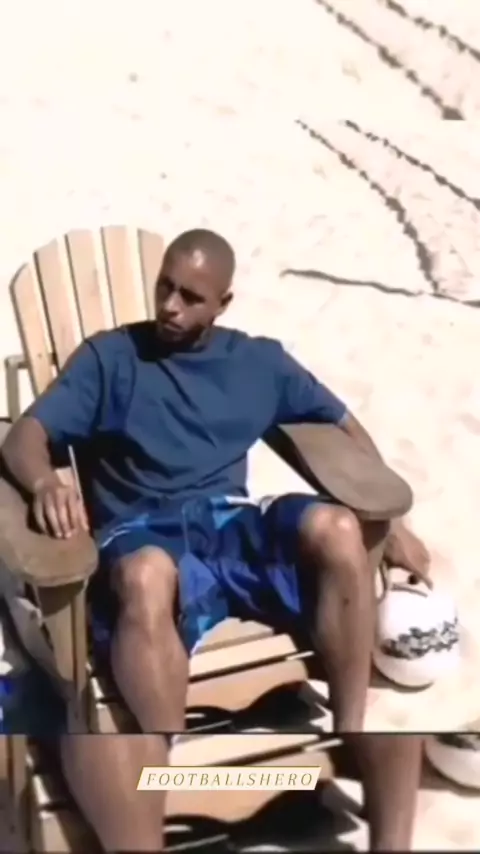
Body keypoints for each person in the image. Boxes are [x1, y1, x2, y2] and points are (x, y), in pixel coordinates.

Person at [2, 228, 428, 850]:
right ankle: (171, 761)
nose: (170, 306)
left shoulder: (258, 363)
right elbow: (24, 437)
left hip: (230, 523)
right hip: (141, 531)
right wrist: (44, 482)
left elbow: (342, 425)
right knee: (146, 575)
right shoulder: (110, 359)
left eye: (190, 297)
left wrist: (390, 524)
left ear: (223, 303)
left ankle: (349, 726)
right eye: (164, 287)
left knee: (338, 528)